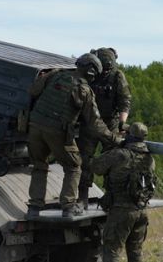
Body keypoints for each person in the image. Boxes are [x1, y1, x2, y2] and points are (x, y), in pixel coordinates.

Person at [26, 53, 120, 219]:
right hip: (58, 131)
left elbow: (33, 90)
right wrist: (114, 139)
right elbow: (95, 124)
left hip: (35, 126)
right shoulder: (84, 90)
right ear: (92, 72)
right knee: (74, 166)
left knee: (39, 165)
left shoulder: (55, 75)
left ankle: (34, 207)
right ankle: (68, 206)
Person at [89, 122, 156, 262]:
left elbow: (96, 167)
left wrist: (112, 146)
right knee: (136, 252)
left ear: (129, 136)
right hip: (141, 210)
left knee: (111, 249)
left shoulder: (119, 154)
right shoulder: (150, 158)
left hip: (121, 210)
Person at [77, 47, 132, 206]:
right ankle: (82, 197)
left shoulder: (117, 76)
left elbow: (125, 101)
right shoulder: (91, 73)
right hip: (90, 121)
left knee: (113, 159)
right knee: (85, 159)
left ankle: (110, 196)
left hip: (110, 122)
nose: (105, 72)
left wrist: (121, 123)